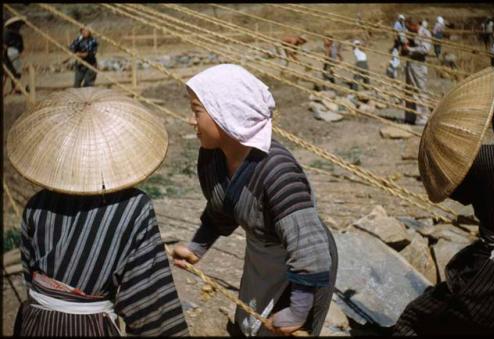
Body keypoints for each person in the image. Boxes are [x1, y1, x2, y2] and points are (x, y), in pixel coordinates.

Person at [172, 64, 338, 336]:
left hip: (302, 263)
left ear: (224, 114)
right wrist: (197, 247)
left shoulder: (278, 172)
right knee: (248, 326)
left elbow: (309, 249)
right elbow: (221, 208)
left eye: (196, 111)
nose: (191, 121)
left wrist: (298, 311)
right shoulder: (213, 157)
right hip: (263, 253)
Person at [8, 87, 189, 336]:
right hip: (89, 328)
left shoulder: (36, 205)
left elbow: (30, 277)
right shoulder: (133, 209)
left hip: (35, 324)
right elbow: (148, 302)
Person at [393, 67, 494, 336]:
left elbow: (449, 184)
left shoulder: (484, 163)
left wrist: (451, 139)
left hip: (488, 278)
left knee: (412, 320)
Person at [402, 19, 432, 125]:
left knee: (420, 91)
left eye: (409, 27)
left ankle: (423, 117)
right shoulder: (411, 33)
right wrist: (405, 46)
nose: (408, 29)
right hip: (410, 64)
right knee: (409, 90)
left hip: (419, 66)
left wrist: (410, 49)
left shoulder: (425, 33)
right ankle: (410, 116)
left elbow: (425, 49)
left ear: (414, 25)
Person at [3, 16, 26, 95]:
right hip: (8, 53)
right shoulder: (7, 33)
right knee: (7, 71)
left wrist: (19, 51)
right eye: (17, 25)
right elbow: (4, 44)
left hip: (16, 54)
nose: (19, 27)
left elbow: (21, 47)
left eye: (19, 25)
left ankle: (14, 88)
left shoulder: (19, 35)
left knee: (16, 72)